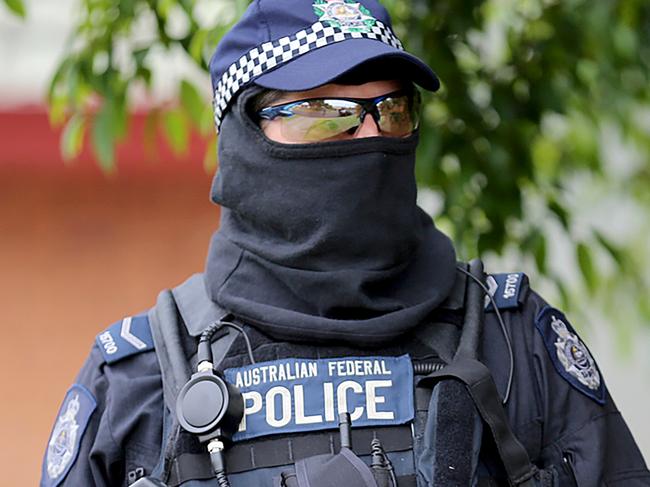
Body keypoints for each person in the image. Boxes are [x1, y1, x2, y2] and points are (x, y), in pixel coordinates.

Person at [41, 1, 649, 486]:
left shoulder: (513, 339)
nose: (370, 134)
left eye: (391, 110)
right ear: (245, 137)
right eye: (325, 111)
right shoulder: (139, 378)